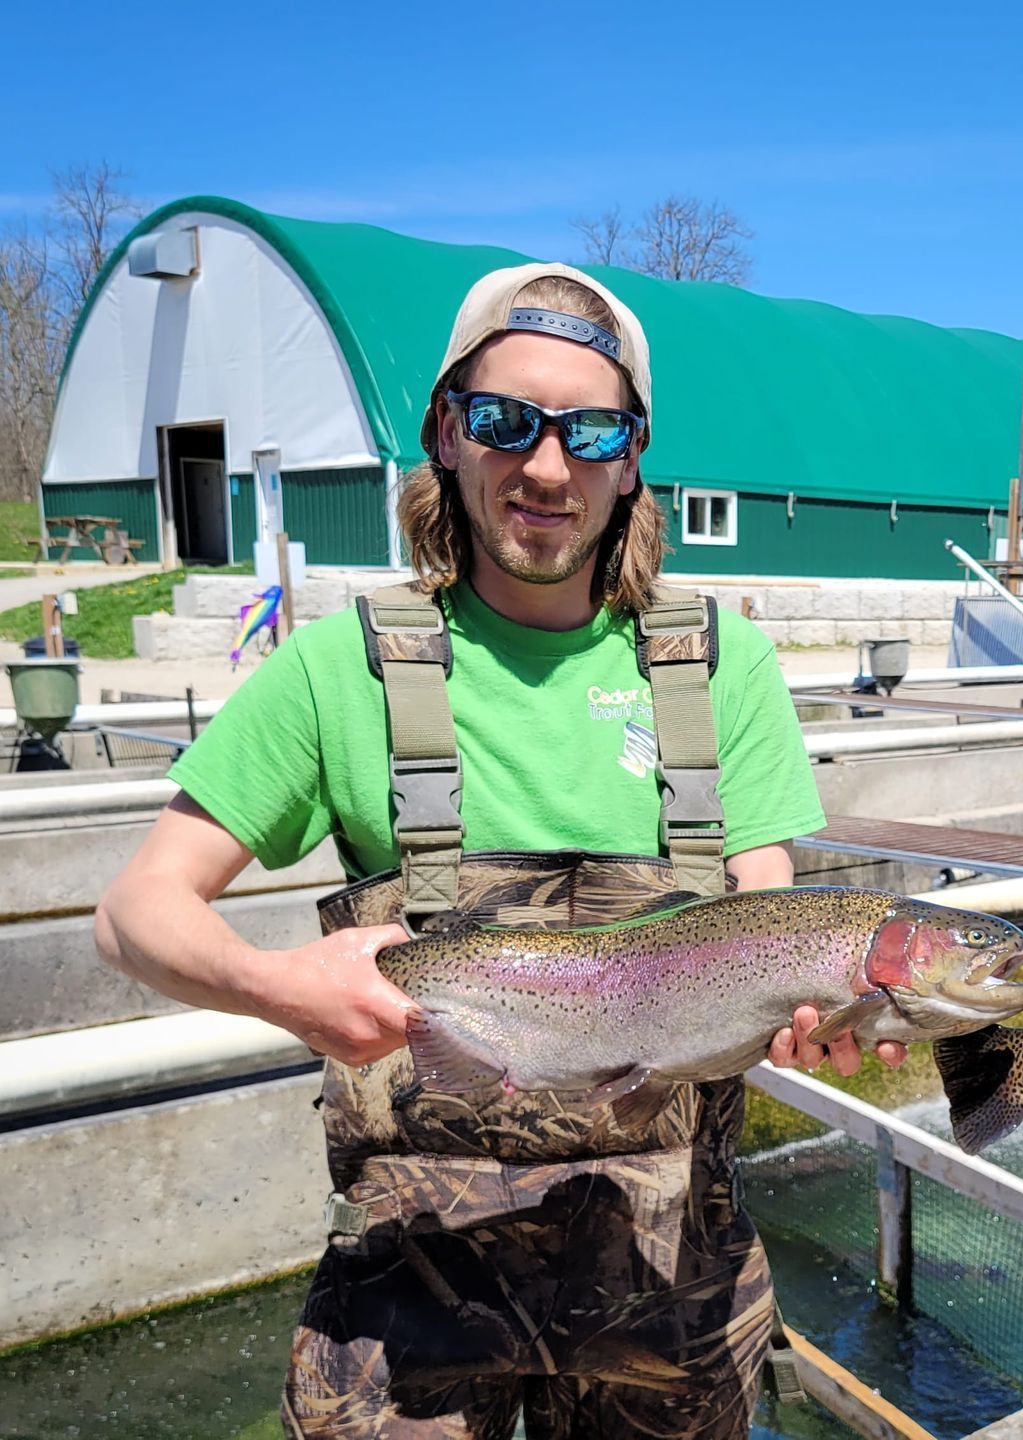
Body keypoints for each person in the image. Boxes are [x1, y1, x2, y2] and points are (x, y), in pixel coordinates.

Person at [94, 262, 899, 1439]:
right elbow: (135, 914)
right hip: (412, 1295)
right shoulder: (342, 670)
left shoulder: (726, 670)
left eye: (590, 429)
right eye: (504, 420)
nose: (545, 465)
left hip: (673, 1285)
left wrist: (815, 1014)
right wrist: (280, 988)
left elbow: (769, 922)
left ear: (633, 456)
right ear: (444, 433)